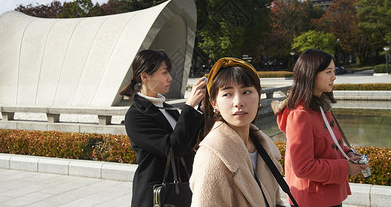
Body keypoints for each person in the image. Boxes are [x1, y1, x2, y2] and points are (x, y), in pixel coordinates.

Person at [272, 49, 369, 207]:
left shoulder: (320, 106)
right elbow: (303, 167)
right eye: (328, 72)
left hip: (329, 194)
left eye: (334, 71)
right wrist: (346, 168)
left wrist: (349, 153)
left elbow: (330, 146)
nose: (334, 77)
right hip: (313, 200)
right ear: (311, 74)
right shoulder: (300, 115)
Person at [190, 57, 285, 207]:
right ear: (214, 103)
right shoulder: (213, 156)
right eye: (227, 94)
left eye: (246, 92)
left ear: (259, 96)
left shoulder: (264, 147)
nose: (238, 102)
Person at [120, 50, 206, 207]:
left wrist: (202, 109)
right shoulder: (136, 116)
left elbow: (187, 144)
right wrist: (189, 106)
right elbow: (173, 149)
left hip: (180, 191)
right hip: (155, 196)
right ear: (145, 77)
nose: (170, 78)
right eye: (164, 72)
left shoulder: (168, 109)